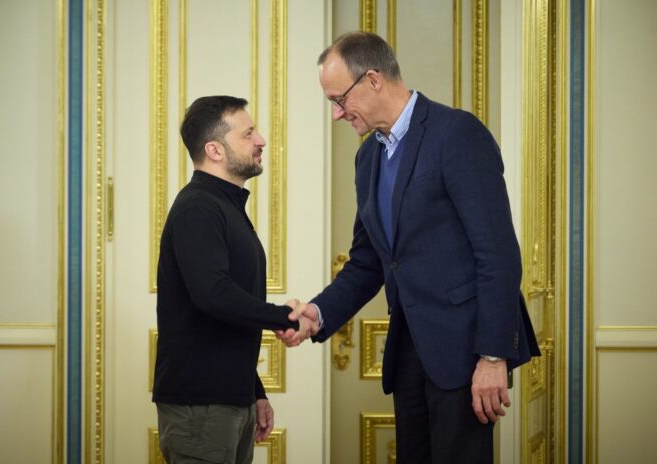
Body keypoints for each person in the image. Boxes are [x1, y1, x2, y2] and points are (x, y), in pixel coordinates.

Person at [276, 32, 540, 463]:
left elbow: (498, 255)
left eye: (339, 100)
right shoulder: (367, 159)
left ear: (374, 80)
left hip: (466, 352)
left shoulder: (456, 134)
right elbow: (368, 263)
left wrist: (493, 356)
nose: (337, 115)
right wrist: (317, 313)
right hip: (409, 354)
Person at [153, 95, 316, 464]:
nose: (260, 141)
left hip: (228, 399)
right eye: (248, 134)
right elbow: (213, 295)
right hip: (201, 406)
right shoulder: (198, 208)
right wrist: (285, 316)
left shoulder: (225, 207)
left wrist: (254, 391)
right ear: (214, 149)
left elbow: (229, 313)